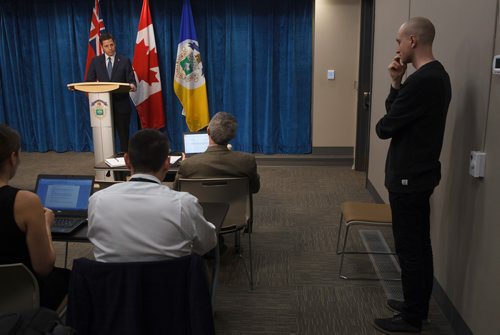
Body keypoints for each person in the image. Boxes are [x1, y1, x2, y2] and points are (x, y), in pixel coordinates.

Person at [373, 17, 451, 333]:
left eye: (398, 41)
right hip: (419, 175)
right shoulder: (436, 76)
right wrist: (396, 84)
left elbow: (384, 127)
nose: (397, 48)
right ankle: (415, 303)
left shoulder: (424, 81)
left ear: (413, 41)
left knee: (410, 247)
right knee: (418, 245)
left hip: (409, 179)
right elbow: (397, 118)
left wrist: (396, 89)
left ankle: (412, 317)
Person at [87, 129, 217, 262]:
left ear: (127, 160)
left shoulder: (97, 201)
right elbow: (207, 244)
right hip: (170, 282)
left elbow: (94, 239)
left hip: (113, 282)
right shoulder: (184, 204)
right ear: (167, 163)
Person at [0, 124, 71, 310]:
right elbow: (44, 267)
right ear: (13, 157)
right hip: (23, 294)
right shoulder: (24, 201)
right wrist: (46, 224)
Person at [173, 112, 260, 194]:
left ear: (208, 131)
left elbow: (177, 190)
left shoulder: (187, 164)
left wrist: (183, 165)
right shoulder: (247, 161)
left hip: (199, 208)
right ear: (233, 135)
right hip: (235, 208)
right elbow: (254, 189)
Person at [86, 32, 137, 153]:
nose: (110, 48)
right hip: (102, 107)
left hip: (122, 106)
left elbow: (132, 81)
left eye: (112, 45)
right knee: (106, 140)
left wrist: (132, 85)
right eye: (106, 46)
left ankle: (125, 165)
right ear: (102, 47)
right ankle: (108, 165)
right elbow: (89, 81)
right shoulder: (95, 62)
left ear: (115, 44)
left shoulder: (124, 61)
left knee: (124, 138)